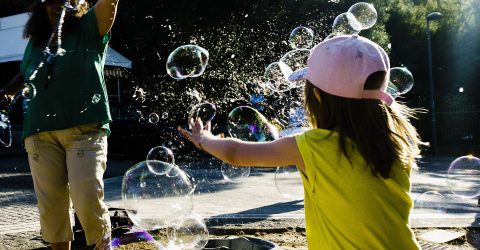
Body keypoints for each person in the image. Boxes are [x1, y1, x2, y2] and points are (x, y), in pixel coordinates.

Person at [179, 34, 425, 249]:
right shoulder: (396, 143)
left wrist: (204, 139)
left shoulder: (313, 146)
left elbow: (235, 153)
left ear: (316, 96)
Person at [0, 0, 119, 249]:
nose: (57, 5)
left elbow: (110, 2)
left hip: (84, 129)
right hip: (39, 133)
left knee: (86, 198)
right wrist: (8, 92)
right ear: (41, 8)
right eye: (50, 1)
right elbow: (26, 73)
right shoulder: (37, 42)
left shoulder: (89, 28)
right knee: (52, 208)